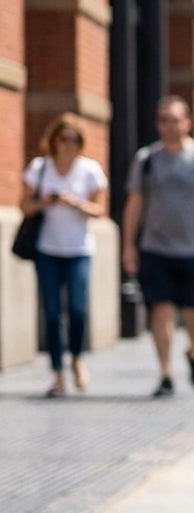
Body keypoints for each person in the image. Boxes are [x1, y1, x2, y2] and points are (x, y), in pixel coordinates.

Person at [121, 95, 194, 397]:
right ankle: (166, 373)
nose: (168, 125)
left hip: (193, 249)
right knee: (161, 310)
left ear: (188, 122)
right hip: (155, 247)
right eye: (163, 119)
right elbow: (134, 203)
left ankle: (193, 352)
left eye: (174, 119)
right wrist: (128, 246)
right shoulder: (147, 159)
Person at [18, 113, 109, 397]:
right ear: (54, 140)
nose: (69, 144)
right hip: (47, 249)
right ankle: (58, 373)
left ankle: (78, 359)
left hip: (79, 250)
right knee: (53, 313)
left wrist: (75, 203)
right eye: (64, 138)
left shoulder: (89, 170)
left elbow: (99, 210)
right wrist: (44, 202)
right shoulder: (39, 168)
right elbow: (24, 206)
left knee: (78, 310)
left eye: (74, 139)